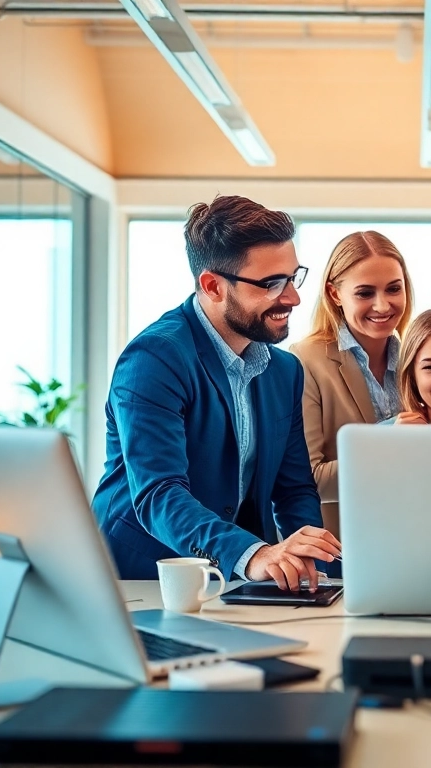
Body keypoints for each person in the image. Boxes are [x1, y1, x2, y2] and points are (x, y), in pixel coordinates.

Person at [93, 195, 340, 590]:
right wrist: (256, 554)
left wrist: (315, 569)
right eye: (272, 283)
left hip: (228, 580)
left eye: (293, 277)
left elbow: (293, 489)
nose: (292, 297)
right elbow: (159, 493)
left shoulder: (285, 370)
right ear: (212, 286)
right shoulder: (154, 358)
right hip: (138, 580)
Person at [290, 231, 414, 537]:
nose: (383, 306)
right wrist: (384, 442)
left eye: (393, 289)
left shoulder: (417, 357)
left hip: (416, 536)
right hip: (345, 552)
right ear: (335, 294)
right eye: (365, 293)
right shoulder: (306, 361)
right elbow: (308, 479)